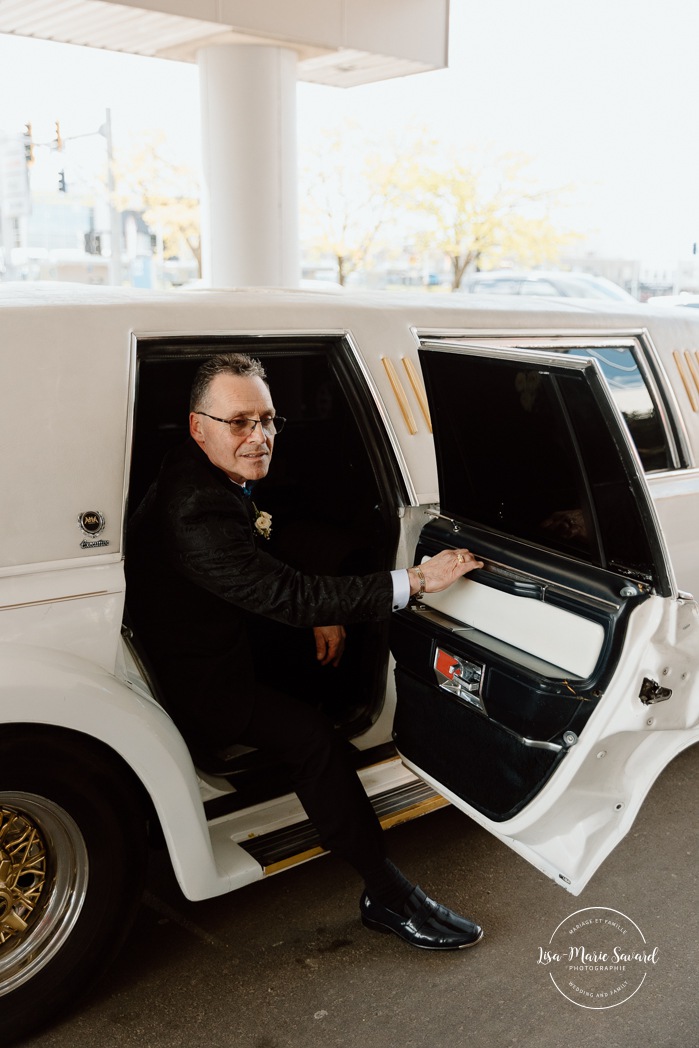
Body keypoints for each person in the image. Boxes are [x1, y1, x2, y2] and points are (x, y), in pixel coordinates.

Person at [126, 352, 485, 951]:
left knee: (327, 663)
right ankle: (389, 896)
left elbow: (265, 560)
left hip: (218, 633)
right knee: (315, 740)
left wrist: (322, 610)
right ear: (198, 426)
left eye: (267, 420)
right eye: (240, 422)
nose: (260, 437)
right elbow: (282, 592)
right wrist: (417, 580)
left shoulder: (202, 472)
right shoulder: (193, 505)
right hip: (198, 681)